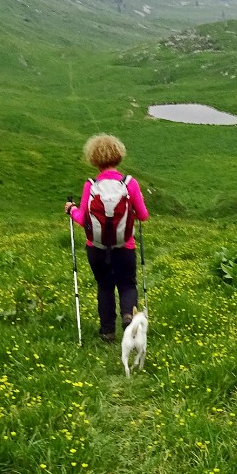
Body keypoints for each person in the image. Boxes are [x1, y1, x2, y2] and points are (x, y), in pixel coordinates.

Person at [65, 134, 149, 343]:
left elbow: (83, 218)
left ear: (94, 158)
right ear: (118, 155)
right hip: (125, 245)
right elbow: (144, 216)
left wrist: (72, 210)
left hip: (96, 246)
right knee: (128, 284)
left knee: (104, 286)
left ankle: (107, 331)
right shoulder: (129, 183)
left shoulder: (91, 185)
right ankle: (128, 317)